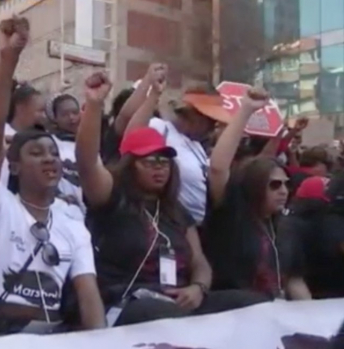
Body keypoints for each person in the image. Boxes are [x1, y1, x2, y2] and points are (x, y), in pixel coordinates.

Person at [76, 73, 266, 326]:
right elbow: (87, 162)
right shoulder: (112, 199)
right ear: (131, 165)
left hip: (178, 304)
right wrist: (94, 105)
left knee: (254, 305)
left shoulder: (177, 213)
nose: (160, 168)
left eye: (165, 161)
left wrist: (198, 288)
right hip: (127, 303)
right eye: (150, 161)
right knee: (170, 318)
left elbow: (201, 264)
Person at [0, 16, 105, 337]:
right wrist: (10, 58)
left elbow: (89, 299)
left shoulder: (73, 225)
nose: (49, 158)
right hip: (0, 334)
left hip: (52, 335)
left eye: (54, 153)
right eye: (36, 153)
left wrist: (104, 341)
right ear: (14, 166)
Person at [203, 87, 301, 300]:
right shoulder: (233, 214)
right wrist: (246, 110)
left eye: (286, 185)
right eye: (274, 185)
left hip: (278, 313)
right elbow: (218, 168)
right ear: (255, 186)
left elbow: (293, 279)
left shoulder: (285, 227)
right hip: (235, 313)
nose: (283, 191)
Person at [124, 70, 232, 225]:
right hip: (166, 222)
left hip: (200, 227)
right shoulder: (160, 129)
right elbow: (131, 138)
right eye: (209, 120)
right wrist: (154, 95)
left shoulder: (197, 146)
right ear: (193, 115)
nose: (212, 127)